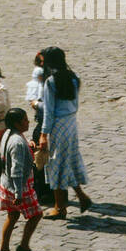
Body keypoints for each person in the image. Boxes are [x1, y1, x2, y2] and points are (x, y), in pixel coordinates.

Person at [38, 46, 91, 219]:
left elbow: (49, 111)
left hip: (58, 125)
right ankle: (81, 197)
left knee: (56, 164)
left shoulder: (51, 82)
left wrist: (44, 134)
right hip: (71, 124)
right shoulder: (74, 78)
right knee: (67, 160)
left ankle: (60, 208)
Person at [0, 108, 43, 251]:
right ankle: (24, 246)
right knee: (36, 214)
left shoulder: (8, 135)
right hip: (19, 186)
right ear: (17, 123)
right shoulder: (17, 142)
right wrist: (19, 194)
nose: (28, 121)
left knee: (13, 215)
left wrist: (27, 147)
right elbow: (16, 170)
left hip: (6, 183)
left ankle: (3, 249)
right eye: (24, 120)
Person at [25, 53, 53, 206]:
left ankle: (45, 192)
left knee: (41, 160)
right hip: (44, 123)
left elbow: (47, 108)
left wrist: (35, 104)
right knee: (43, 159)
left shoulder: (50, 83)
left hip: (45, 124)